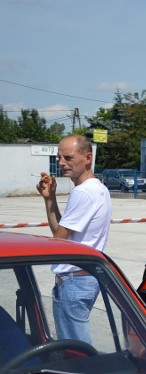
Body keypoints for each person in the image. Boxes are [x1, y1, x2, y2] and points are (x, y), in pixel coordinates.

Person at [37, 134, 112, 343]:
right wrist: (50, 198)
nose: (61, 163)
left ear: (87, 158)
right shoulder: (97, 189)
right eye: (59, 157)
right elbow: (62, 233)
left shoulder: (83, 192)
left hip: (74, 281)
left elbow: (58, 241)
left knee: (75, 350)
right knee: (74, 346)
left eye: (68, 158)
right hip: (81, 279)